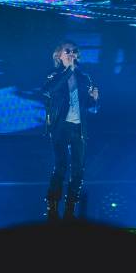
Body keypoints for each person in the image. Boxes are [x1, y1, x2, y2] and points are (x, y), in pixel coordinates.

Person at [40, 41, 98, 220]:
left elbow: (89, 107)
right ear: (59, 55)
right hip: (60, 127)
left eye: (74, 51)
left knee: (78, 170)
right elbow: (48, 90)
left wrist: (94, 100)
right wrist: (68, 71)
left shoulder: (84, 77)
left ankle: (70, 209)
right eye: (68, 51)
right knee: (61, 166)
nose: (72, 53)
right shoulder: (54, 75)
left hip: (79, 128)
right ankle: (52, 207)